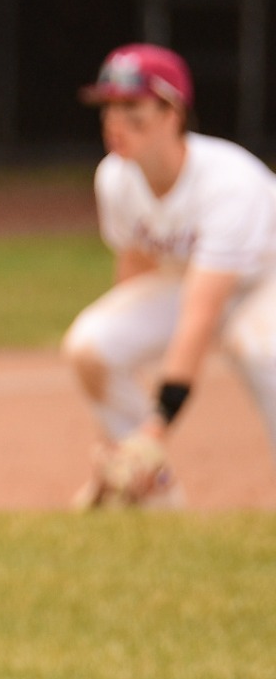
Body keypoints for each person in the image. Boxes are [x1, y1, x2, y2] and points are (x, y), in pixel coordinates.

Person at [62, 44, 276, 507]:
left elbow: (201, 314)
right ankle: (146, 490)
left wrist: (158, 425)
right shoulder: (116, 178)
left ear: (172, 112)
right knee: (92, 343)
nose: (115, 122)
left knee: (257, 345)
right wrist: (117, 439)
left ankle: (145, 449)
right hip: (195, 280)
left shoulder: (228, 183)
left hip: (265, 282)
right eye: (109, 107)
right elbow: (135, 273)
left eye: (132, 107)